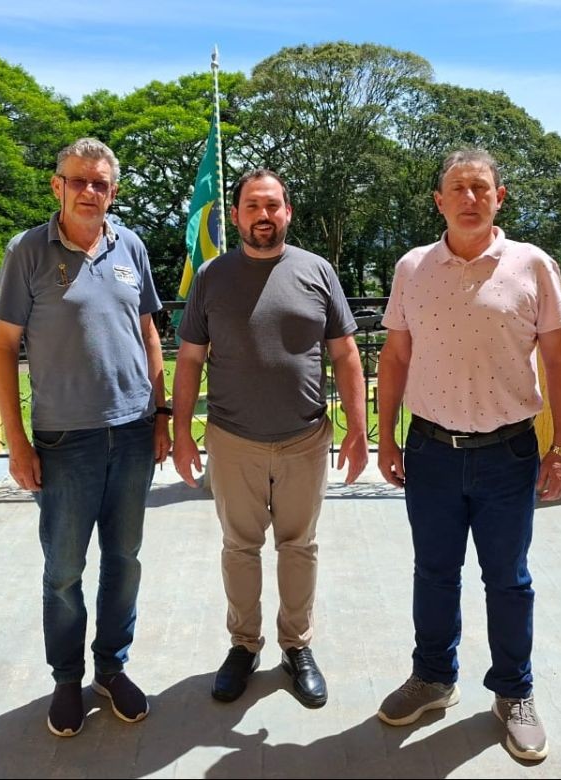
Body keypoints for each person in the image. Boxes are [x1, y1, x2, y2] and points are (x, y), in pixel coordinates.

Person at [374, 149, 561, 762]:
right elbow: (396, 358)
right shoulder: (413, 268)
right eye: (457, 188)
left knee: (508, 581)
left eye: (480, 188)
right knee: (433, 573)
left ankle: (514, 692)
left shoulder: (532, 265)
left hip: (508, 452)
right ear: (439, 201)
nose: (469, 197)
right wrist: (386, 435)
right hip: (431, 450)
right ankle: (434, 677)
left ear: (499, 197)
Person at [0, 137, 171, 738]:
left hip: (132, 432)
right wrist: (16, 443)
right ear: (57, 186)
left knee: (124, 560)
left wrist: (161, 415)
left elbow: (148, 333)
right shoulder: (28, 253)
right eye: (79, 181)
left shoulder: (131, 246)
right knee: (64, 569)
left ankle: (111, 669)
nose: (90, 192)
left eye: (101, 183)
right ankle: (67, 679)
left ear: (112, 190)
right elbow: (4, 348)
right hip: (66, 440)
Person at [172, 169, 368, 709]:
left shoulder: (317, 271)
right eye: (252, 206)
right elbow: (189, 359)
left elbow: (345, 354)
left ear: (288, 212)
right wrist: (182, 435)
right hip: (233, 439)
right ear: (235, 215)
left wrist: (357, 430)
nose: (263, 215)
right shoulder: (211, 277)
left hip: (305, 438)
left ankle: (296, 647)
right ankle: (242, 645)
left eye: (273, 205)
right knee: (240, 548)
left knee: (298, 547)